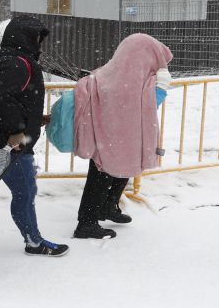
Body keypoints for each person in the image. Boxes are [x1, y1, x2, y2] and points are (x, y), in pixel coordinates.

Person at [0, 15, 69, 257]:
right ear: (26, 37)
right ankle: (34, 242)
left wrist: (34, 119)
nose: (40, 44)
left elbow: (4, 97)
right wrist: (16, 130)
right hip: (11, 145)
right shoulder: (19, 63)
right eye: (37, 38)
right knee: (24, 193)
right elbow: (0, 98)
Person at [71, 33, 173, 239]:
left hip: (113, 136)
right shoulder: (134, 82)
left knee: (125, 166)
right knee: (101, 175)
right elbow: (148, 106)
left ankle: (107, 206)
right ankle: (87, 222)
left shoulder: (110, 74)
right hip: (109, 137)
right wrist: (161, 89)